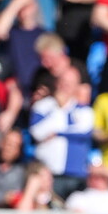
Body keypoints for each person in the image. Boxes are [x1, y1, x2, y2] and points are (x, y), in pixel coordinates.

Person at [28, 65, 94, 199]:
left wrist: (57, 133)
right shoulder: (42, 106)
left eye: (70, 84)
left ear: (77, 86)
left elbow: (84, 131)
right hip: (49, 174)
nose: (65, 87)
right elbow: (37, 132)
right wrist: (59, 109)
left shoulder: (84, 110)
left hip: (75, 174)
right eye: (63, 82)